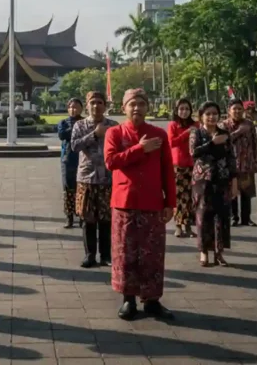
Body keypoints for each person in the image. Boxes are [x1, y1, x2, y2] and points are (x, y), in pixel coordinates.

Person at [104, 88, 175, 321]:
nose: (136, 108)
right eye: (132, 104)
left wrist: (170, 202)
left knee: (152, 254)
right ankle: (128, 299)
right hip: (124, 203)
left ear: (148, 107)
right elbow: (111, 162)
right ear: (123, 107)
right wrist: (139, 149)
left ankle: (152, 300)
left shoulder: (159, 134)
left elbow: (167, 169)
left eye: (141, 104)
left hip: (153, 202)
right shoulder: (114, 133)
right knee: (126, 253)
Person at [70, 91, 117, 268]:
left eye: (100, 102)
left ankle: (105, 255)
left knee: (106, 218)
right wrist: (95, 134)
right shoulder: (80, 125)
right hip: (87, 178)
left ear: (105, 106)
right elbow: (74, 146)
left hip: (107, 178)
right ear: (87, 105)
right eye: (93, 103)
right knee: (88, 218)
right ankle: (89, 255)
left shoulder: (113, 125)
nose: (96, 106)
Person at [190, 101, 238, 267]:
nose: (211, 117)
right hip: (202, 180)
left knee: (222, 217)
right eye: (208, 114)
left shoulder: (225, 134)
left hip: (222, 179)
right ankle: (204, 252)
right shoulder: (196, 132)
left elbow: (232, 158)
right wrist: (212, 143)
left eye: (214, 114)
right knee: (203, 216)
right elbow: (193, 152)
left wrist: (234, 181)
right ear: (201, 116)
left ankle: (219, 252)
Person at [223, 99, 257, 227]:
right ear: (229, 110)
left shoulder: (249, 124)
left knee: (247, 192)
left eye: (240, 109)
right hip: (230, 164)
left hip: (246, 163)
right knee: (232, 192)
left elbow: (255, 143)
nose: (237, 111)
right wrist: (239, 132)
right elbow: (224, 141)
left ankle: (246, 218)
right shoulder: (224, 125)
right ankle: (234, 217)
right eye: (234, 109)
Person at [166, 98, 197, 238]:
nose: (184, 112)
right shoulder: (173, 125)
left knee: (190, 197)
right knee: (179, 197)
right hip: (178, 165)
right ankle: (178, 225)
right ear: (176, 110)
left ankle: (189, 226)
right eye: (181, 109)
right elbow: (171, 142)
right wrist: (186, 134)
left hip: (193, 164)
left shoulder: (196, 124)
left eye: (187, 109)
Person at [56, 98, 84, 228]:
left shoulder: (85, 122)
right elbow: (62, 135)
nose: (73, 109)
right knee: (68, 188)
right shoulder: (63, 122)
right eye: (71, 107)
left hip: (83, 159)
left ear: (81, 108)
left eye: (76, 107)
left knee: (82, 188)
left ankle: (82, 214)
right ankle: (69, 216)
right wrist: (75, 128)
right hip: (67, 159)